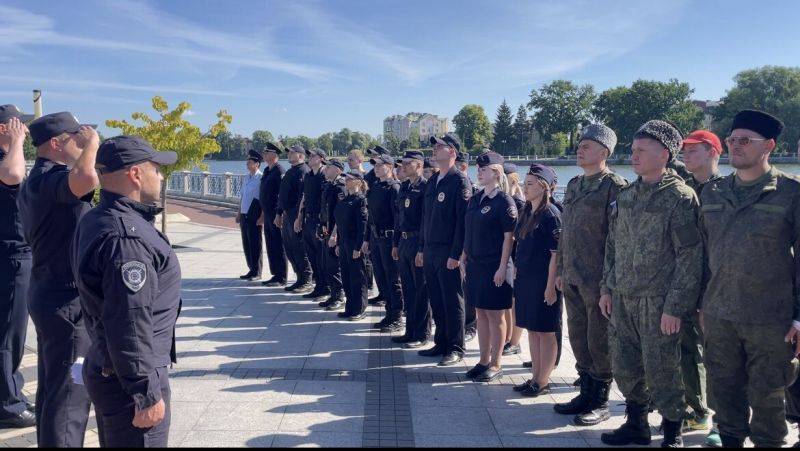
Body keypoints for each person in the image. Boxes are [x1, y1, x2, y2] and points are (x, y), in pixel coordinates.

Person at [700, 110, 800, 448]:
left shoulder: (790, 192)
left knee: (769, 402)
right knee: (725, 396)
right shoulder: (713, 192)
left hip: (770, 321)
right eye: (731, 140)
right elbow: (701, 255)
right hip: (719, 316)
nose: (735, 146)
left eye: (745, 141)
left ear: (769, 145)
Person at [599, 120, 703, 447]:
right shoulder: (627, 195)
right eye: (632, 150)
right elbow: (612, 245)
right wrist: (606, 287)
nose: (634, 156)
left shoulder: (680, 197)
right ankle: (636, 424)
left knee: (664, 371)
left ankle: (673, 432)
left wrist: (675, 307)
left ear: (665, 154)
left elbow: (689, 256)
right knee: (626, 366)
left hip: (659, 302)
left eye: (641, 150)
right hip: (623, 296)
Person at [72, 136, 180, 448]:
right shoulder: (126, 239)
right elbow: (129, 320)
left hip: (113, 367)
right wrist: (145, 392)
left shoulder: (96, 217)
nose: (160, 177)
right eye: (156, 169)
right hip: (130, 380)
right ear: (135, 174)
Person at [18, 112, 99, 447]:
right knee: (70, 395)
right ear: (55, 143)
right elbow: (86, 179)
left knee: (54, 390)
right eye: (73, 138)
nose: (79, 142)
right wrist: (93, 142)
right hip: (65, 301)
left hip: (50, 292)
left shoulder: (37, 180)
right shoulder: (50, 180)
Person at [553, 124, 626, 427]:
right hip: (572, 275)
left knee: (599, 340)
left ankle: (600, 400)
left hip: (597, 279)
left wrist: (609, 282)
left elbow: (617, 239)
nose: (580, 149)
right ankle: (585, 391)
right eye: (580, 144)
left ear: (604, 152)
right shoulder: (574, 185)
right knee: (579, 337)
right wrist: (559, 270)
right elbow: (566, 232)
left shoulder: (615, 186)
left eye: (587, 145)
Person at [679, 129, 724, 446]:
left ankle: (724, 422)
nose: (685, 154)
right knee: (686, 350)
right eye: (684, 150)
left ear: (712, 152)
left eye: (692, 150)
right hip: (685, 284)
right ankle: (697, 409)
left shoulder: (726, 190)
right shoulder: (684, 190)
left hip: (717, 288)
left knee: (720, 356)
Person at [462, 151, 517, 382]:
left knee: (496, 316)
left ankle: (496, 363)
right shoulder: (476, 199)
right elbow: (469, 229)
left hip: (494, 265)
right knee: (481, 314)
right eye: (478, 169)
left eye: (483, 169)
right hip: (475, 264)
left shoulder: (504, 201)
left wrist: (502, 267)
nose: (479, 172)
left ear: (495, 172)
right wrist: (463, 255)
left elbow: (509, 237)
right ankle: (483, 360)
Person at [417, 134, 470, 367]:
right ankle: (441, 342)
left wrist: (456, 254)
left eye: (440, 147)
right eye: (435, 146)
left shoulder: (460, 181)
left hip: (448, 252)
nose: (435, 150)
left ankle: (456, 347)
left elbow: (462, 222)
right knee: (436, 299)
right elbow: (425, 218)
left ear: (452, 152)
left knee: (452, 300)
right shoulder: (433, 180)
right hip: (430, 250)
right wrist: (421, 248)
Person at [512, 164, 562, 397]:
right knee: (532, 329)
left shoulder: (551, 214)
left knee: (546, 331)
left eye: (530, 183)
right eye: (524, 182)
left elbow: (556, 255)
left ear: (543, 187)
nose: (524, 187)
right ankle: (534, 377)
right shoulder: (526, 212)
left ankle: (543, 381)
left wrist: (550, 286)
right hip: (526, 279)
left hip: (543, 280)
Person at [0, 106, 35, 428]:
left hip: (12, 251)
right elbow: (13, 176)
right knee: (9, 332)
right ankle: (9, 406)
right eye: (19, 125)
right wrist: (15, 144)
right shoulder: (7, 157)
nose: (24, 130)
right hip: (10, 254)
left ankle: (11, 393)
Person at [392, 150, 432, 349]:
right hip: (404, 242)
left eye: (408, 163)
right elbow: (399, 218)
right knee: (408, 289)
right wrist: (395, 243)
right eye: (402, 164)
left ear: (418, 165)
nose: (403, 167)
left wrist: (422, 248)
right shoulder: (404, 186)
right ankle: (410, 331)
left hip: (418, 241)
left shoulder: (426, 187)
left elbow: (425, 221)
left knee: (421, 290)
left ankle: (422, 333)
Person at [365, 153, 404, 332]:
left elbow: (398, 219)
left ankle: (396, 316)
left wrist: (395, 243)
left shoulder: (394, 188)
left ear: (390, 167)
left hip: (388, 239)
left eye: (381, 165)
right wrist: (366, 239)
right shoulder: (374, 186)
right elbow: (370, 217)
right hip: (375, 238)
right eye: (375, 165)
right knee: (381, 278)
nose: (377, 167)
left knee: (392, 279)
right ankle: (389, 313)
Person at [332, 172, 369, 321]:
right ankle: (350, 307)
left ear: (359, 182)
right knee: (346, 277)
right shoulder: (345, 200)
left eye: (350, 179)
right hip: (344, 243)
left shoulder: (361, 200)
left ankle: (359, 309)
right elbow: (340, 224)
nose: (346, 181)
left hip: (354, 243)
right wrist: (339, 242)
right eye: (346, 178)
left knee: (357, 277)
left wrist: (358, 247)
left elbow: (363, 226)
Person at [276, 144, 313, 293]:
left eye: (292, 153)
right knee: (290, 249)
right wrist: (279, 213)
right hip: (287, 216)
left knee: (300, 249)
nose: (289, 155)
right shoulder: (290, 171)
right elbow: (282, 195)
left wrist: (298, 217)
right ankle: (299, 278)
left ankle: (306, 279)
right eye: (289, 152)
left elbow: (302, 197)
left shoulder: (303, 171)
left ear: (301, 155)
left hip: (296, 217)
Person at [347, 148, 382, 306]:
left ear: (360, 161)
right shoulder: (353, 176)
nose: (349, 162)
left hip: (366, 218)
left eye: (352, 159)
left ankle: (368, 286)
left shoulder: (367, 176)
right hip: (353, 220)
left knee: (367, 259)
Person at [297, 148, 329, 300]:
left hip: (319, 220)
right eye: (309, 155)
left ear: (321, 158)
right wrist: (299, 217)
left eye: (313, 155)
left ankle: (326, 288)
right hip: (308, 219)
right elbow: (304, 197)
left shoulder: (325, 175)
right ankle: (319, 286)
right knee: (312, 255)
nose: (309, 158)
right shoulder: (309, 175)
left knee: (322, 256)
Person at [501, 162, 524, 358]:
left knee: (513, 303)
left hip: (515, 258)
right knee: (508, 302)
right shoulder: (506, 200)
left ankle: (513, 341)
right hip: (508, 257)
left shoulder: (517, 202)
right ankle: (508, 339)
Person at [258, 142, 288, 287]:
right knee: (270, 244)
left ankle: (281, 276)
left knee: (278, 244)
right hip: (268, 213)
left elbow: (281, 195)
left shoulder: (279, 171)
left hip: (276, 214)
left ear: (274, 155)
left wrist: (279, 214)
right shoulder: (267, 171)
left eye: (266, 152)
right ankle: (275, 274)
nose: (264, 154)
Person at [318, 159, 346, 311]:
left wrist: (335, 233)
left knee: (335, 266)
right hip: (326, 230)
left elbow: (339, 214)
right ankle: (333, 294)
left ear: (337, 170)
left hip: (335, 231)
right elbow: (325, 210)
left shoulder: (340, 186)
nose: (325, 169)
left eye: (329, 167)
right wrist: (321, 226)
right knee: (327, 264)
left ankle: (339, 296)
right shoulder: (329, 185)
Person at [456, 150, 477, 343]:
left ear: (463, 167)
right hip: (456, 245)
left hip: (468, 246)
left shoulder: (471, 188)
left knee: (466, 289)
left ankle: (470, 325)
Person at [236, 150, 263, 281]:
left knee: (255, 242)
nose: (247, 164)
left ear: (257, 164)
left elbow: (262, 199)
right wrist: (238, 213)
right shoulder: (246, 177)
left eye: (250, 162)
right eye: (247, 162)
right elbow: (242, 197)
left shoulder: (261, 178)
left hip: (254, 214)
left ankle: (257, 271)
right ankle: (251, 268)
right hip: (244, 214)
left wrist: (261, 216)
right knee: (246, 242)